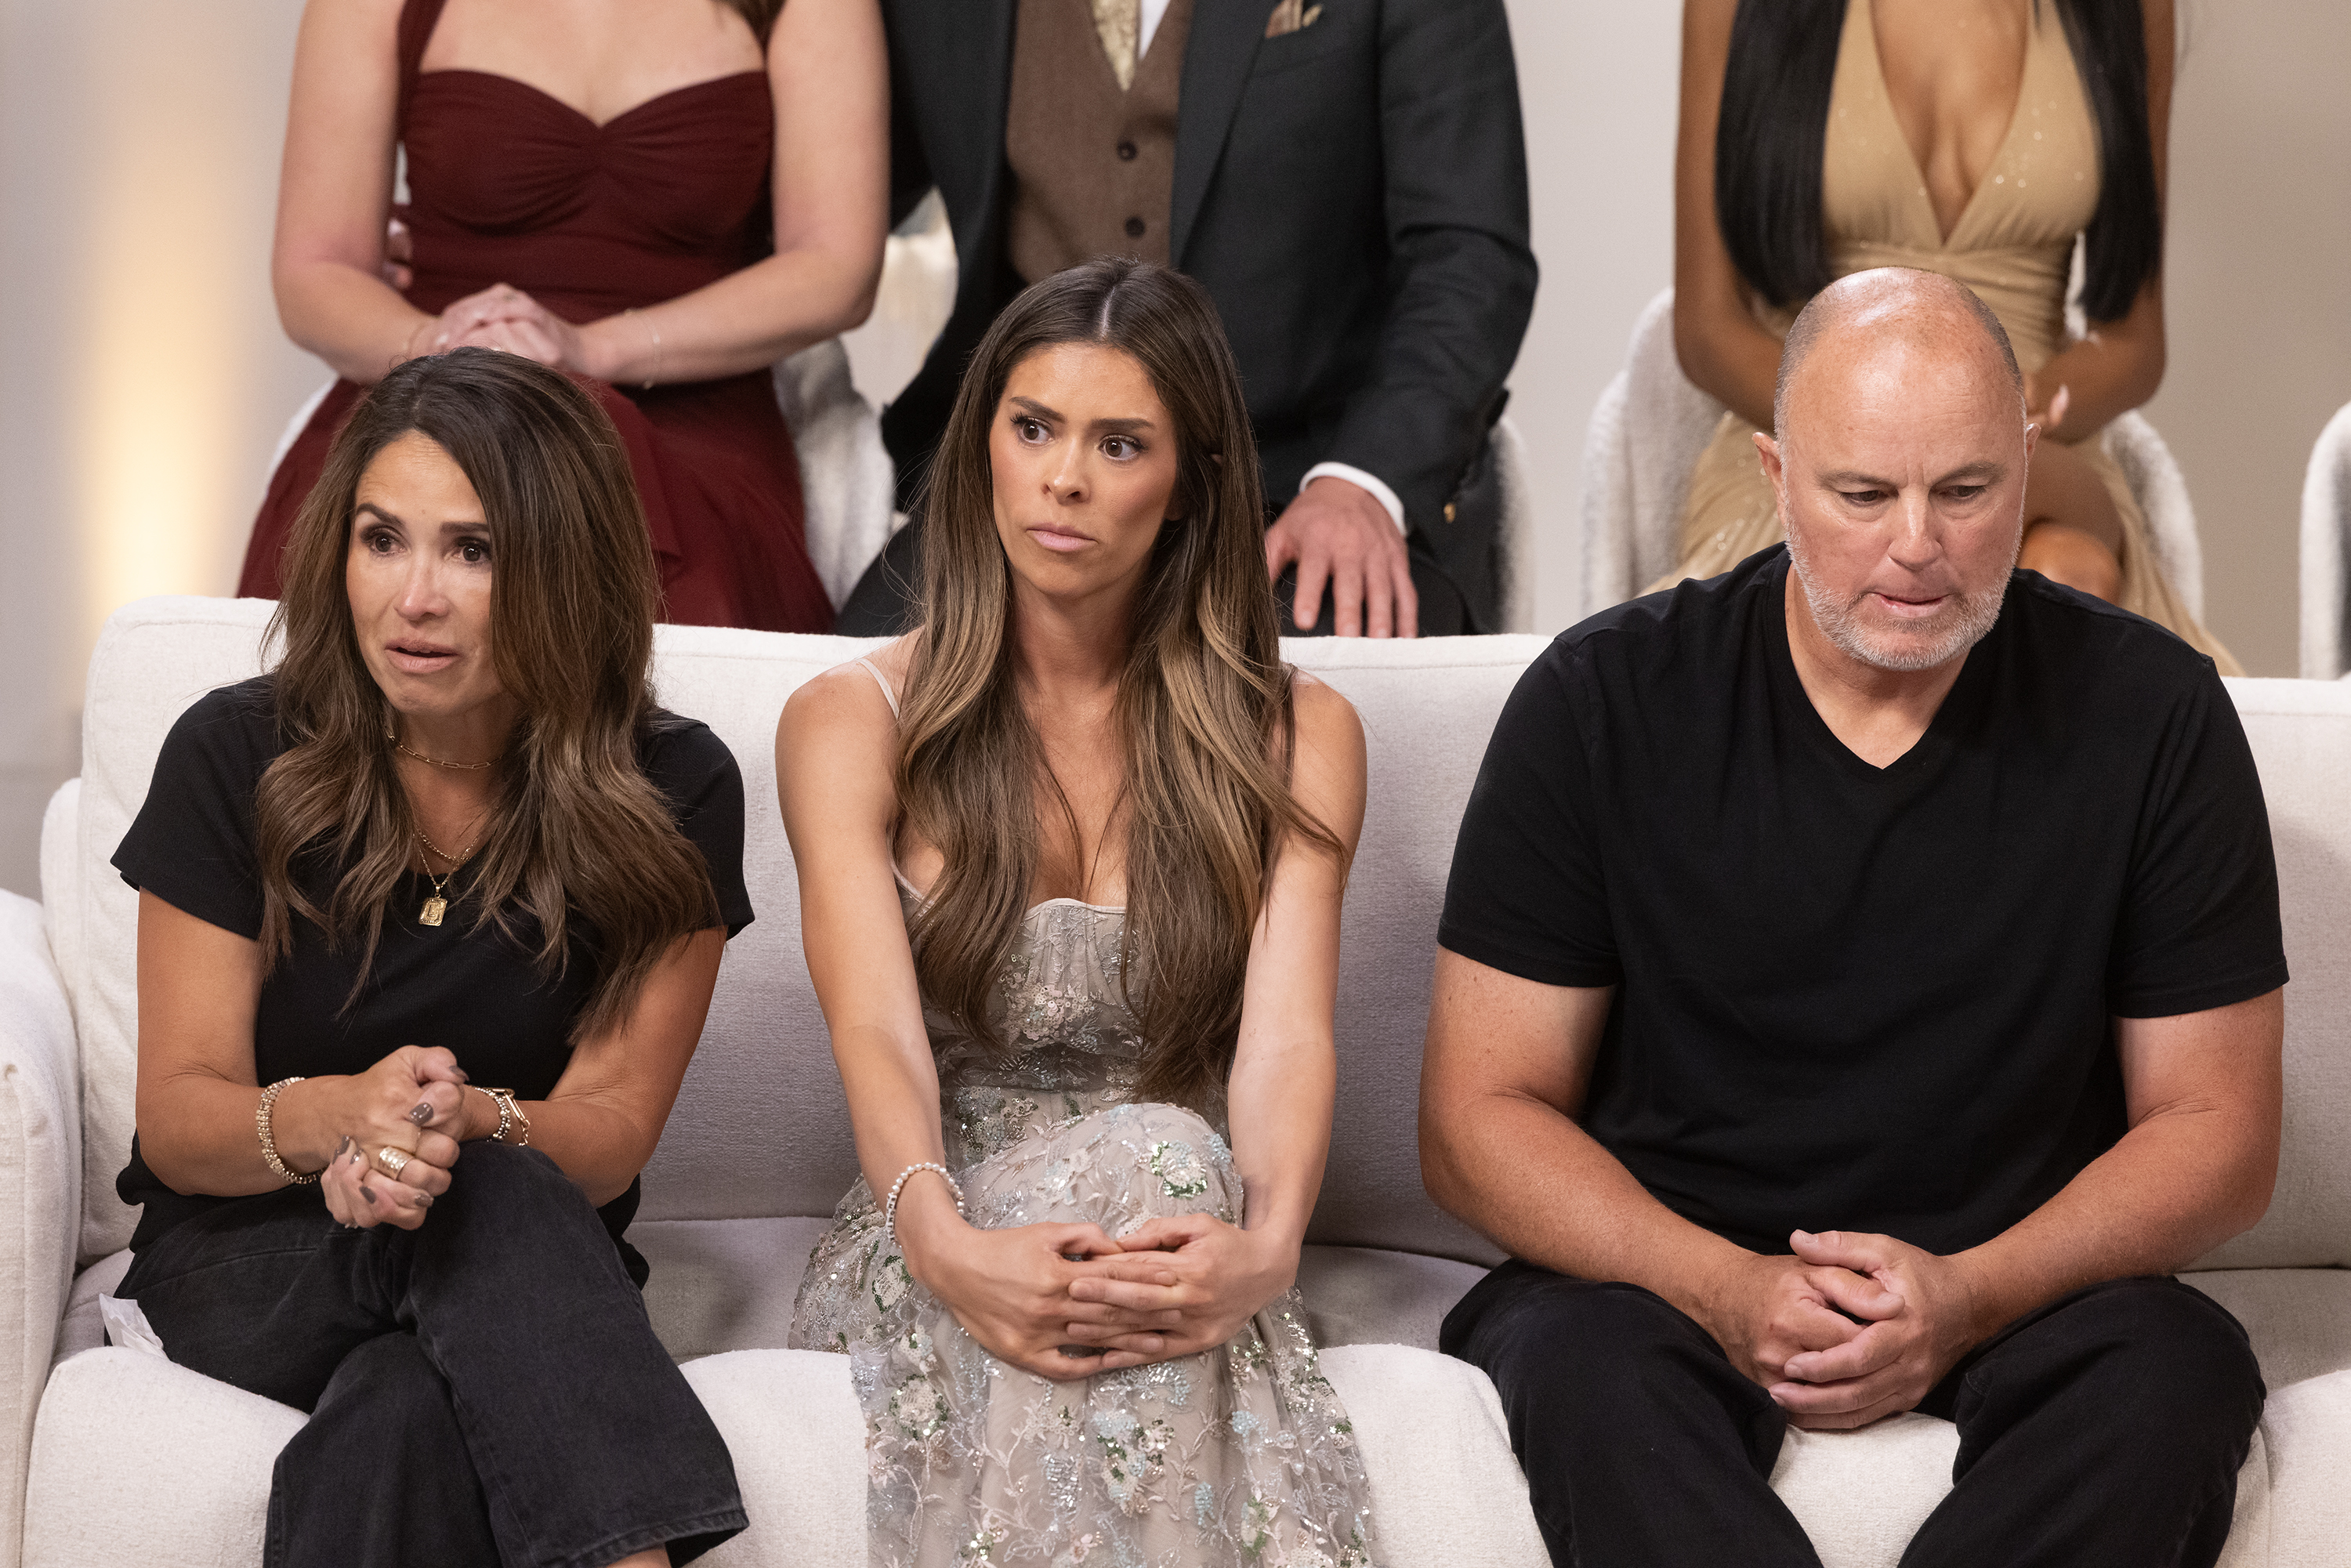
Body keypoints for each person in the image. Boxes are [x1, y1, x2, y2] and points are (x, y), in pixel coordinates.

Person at [1422, 270, 2282, 1568]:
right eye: (1864, 495)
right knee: (1588, 1370)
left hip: (2022, 1274)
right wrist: (1724, 1285)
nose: (1918, 544)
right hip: (1664, 1274)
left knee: (2176, 1372)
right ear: (1777, 477)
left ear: (2029, 464)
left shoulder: (2156, 713)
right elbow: (1475, 1117)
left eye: (1967, 491)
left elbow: (2219, 1129)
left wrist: (1970, 1294)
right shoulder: (1604, 701)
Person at [781, 258, 1377, 1566]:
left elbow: (1286, 1038)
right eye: (1034, 428)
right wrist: (945, 1245)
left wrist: (1270, 1249)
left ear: (1191, 485)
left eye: (1119, 445)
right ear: (983, 443)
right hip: (937, 1211)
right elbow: (875, 1032)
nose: (1062, 479)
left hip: (1182, 1223)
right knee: (1166, 1159)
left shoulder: (1297, 732)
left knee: (1166, 1155)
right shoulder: (850, 720)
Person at [116, 349, 754, 1568]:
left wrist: (455, 1124)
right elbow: (179, 1119)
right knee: (491, 1190)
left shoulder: (673, 787)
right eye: (382, 539)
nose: (414, 598)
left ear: (564, 567)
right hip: (250, 1266)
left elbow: (613, 1129)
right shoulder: (235, 754)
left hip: (513, 1274)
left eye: (474, 550)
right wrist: (346, 1121)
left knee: (406, 1402)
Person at [837, 0, 1537, 640]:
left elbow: (1469, 257)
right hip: (1040, 483)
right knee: (861, 690)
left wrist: (1361, 480)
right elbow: (827, 175)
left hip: (1297, 478)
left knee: (1277, 713)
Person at [244, 0, 890, 633]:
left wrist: (592, 350)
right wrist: (445, 345)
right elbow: (314, 271)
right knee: (354, 562)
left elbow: (837, 269)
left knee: (688, 589)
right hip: (435, 380)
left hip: (691, 395)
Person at [1668, 0, 2237, 670]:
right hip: (1820, 444)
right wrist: (1871, 428)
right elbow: (1707, 330)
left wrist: (2025, 400)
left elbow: (2134, 347)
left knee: (2067, 579)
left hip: (2034, 444)